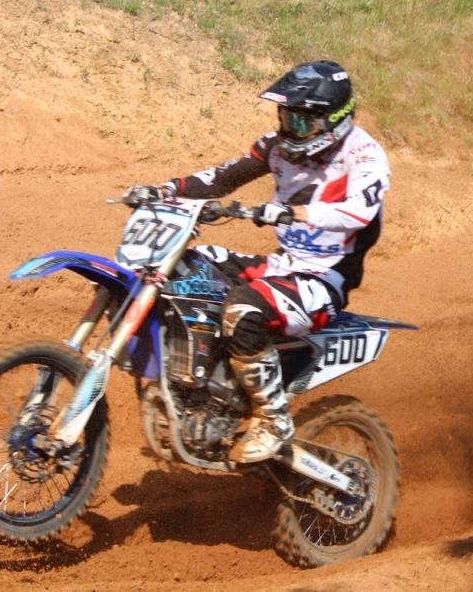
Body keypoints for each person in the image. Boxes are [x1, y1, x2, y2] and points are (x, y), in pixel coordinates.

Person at [131, 60, 390, 463]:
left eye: (300, 121)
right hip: (283, 265)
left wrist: (291, 213)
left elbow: (359, 213)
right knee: (185, 265)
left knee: (243, 310)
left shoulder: (365, 156)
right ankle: (198, 386)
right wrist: (164, 190)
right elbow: (223, 178)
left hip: (323, 281)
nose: (289, 128)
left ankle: (272, 419)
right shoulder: (276, 146)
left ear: (332, 121)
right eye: (285, 116)